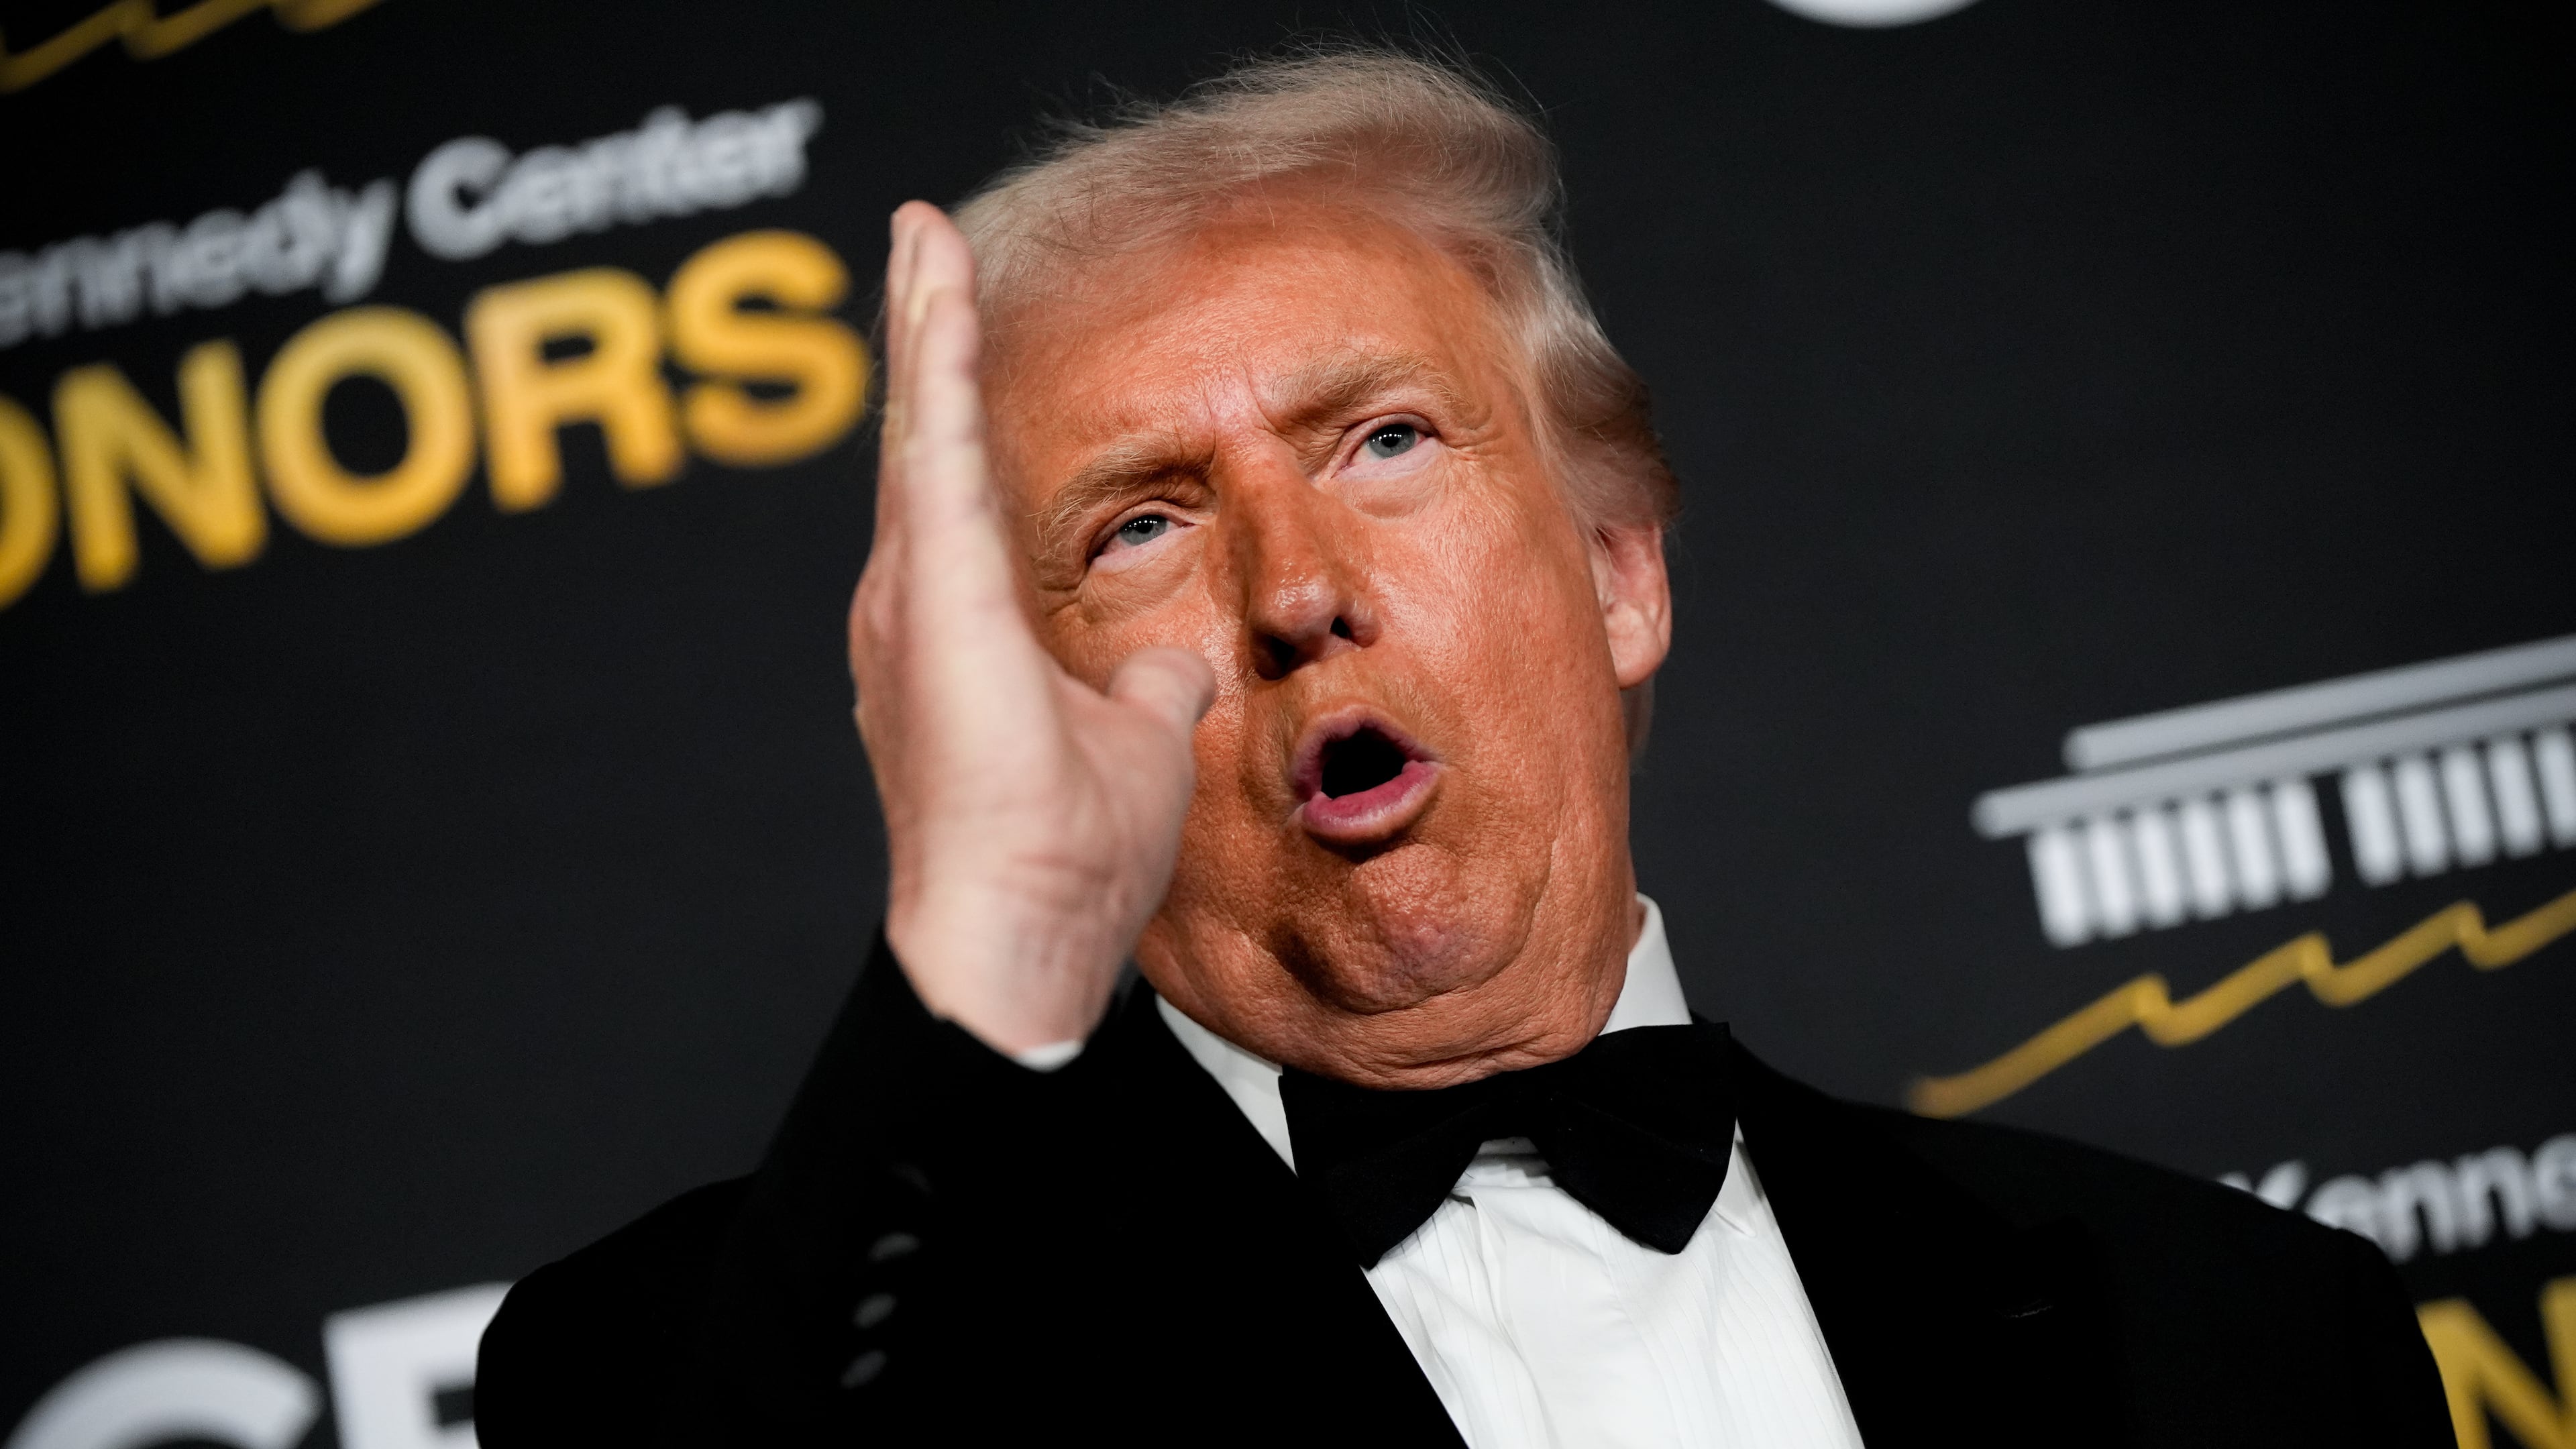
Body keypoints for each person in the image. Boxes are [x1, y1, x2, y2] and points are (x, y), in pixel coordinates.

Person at [474, 50, 2449, 1448]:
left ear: (1616, 572)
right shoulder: (701, 1364)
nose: (1294, 586)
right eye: (1140, 523)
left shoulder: (2248, 1339)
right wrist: (980, 953)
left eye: (1385, 441)